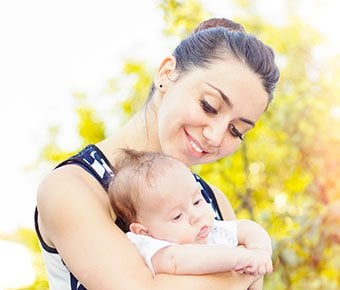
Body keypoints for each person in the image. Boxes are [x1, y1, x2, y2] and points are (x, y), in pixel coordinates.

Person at [35, 17, 279, 290]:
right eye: (209, 106)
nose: (215, 135)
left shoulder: (213, 201)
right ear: (166, 73)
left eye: (236, 130)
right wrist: (246, 268)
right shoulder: (74, 187)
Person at [109, 148, 273, 283]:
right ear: (144, 232)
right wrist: (239, 258)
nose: (195, 216)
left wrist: (259, 251)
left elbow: (247, 228)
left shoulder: (209, 228)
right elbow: (179, 261)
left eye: (196, 202)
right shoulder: (156, 249)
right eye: (177, 216)